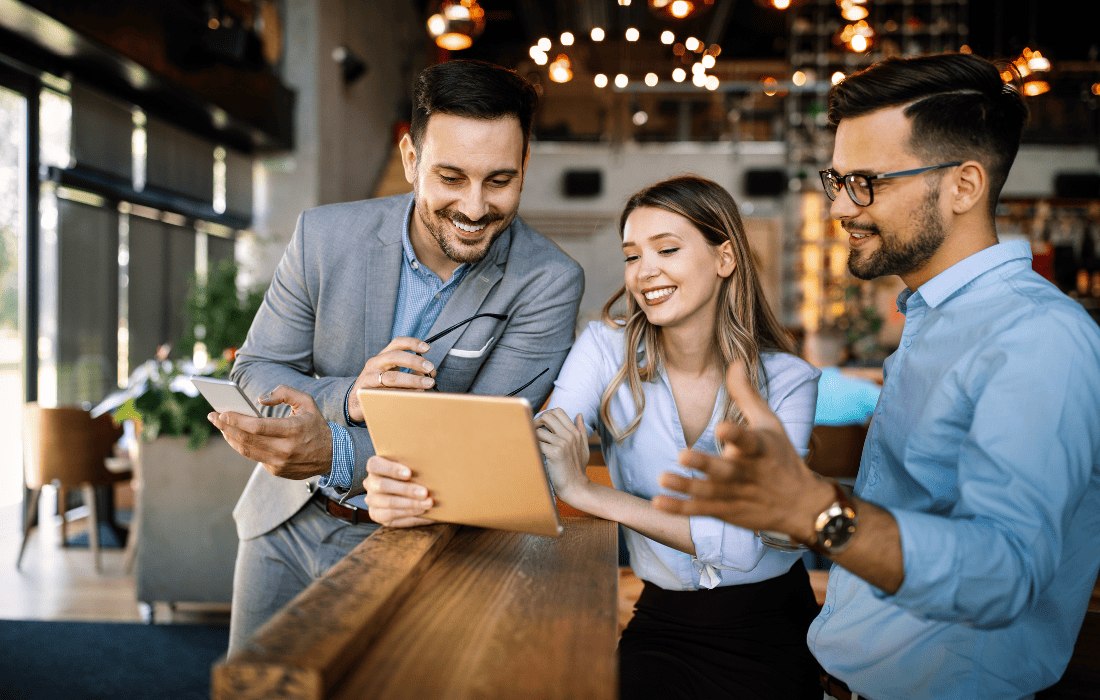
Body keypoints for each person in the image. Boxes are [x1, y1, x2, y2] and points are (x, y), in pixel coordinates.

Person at [653, 53, 1100, 700]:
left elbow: (1005, 575)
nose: (840, 207)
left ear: (964, 186)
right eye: (836, 179)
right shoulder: (935, 319)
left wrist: (816, 508)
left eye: (866, 182)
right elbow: (911, 515)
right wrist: (782, 502)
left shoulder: (1036, 340)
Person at [209, 60, 584, 655]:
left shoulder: (549, 281)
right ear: (410, 160)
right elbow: (256, 369)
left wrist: (333, 449)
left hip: (419, 544)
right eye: (451, 177)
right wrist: (348, 399)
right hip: (281, 526)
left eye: (499, 180)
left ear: (525, 168)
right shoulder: (323, 236)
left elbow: (480, 448)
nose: (475, 206)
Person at [534, 175, 822, 700]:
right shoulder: (603, 350)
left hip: (774, 627)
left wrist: (590, 494)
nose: (645, 273)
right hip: (662, 618)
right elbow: (548, 447)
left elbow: (741, 545)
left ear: (725, 257)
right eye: (631, 255)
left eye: (667, 249)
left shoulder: (787, 381)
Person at [803, 327, 880, 427]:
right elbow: (896, 414)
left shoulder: (796, 392)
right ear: (843, 354)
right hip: (854, 443)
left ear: (806, 353)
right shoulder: (865, 389)